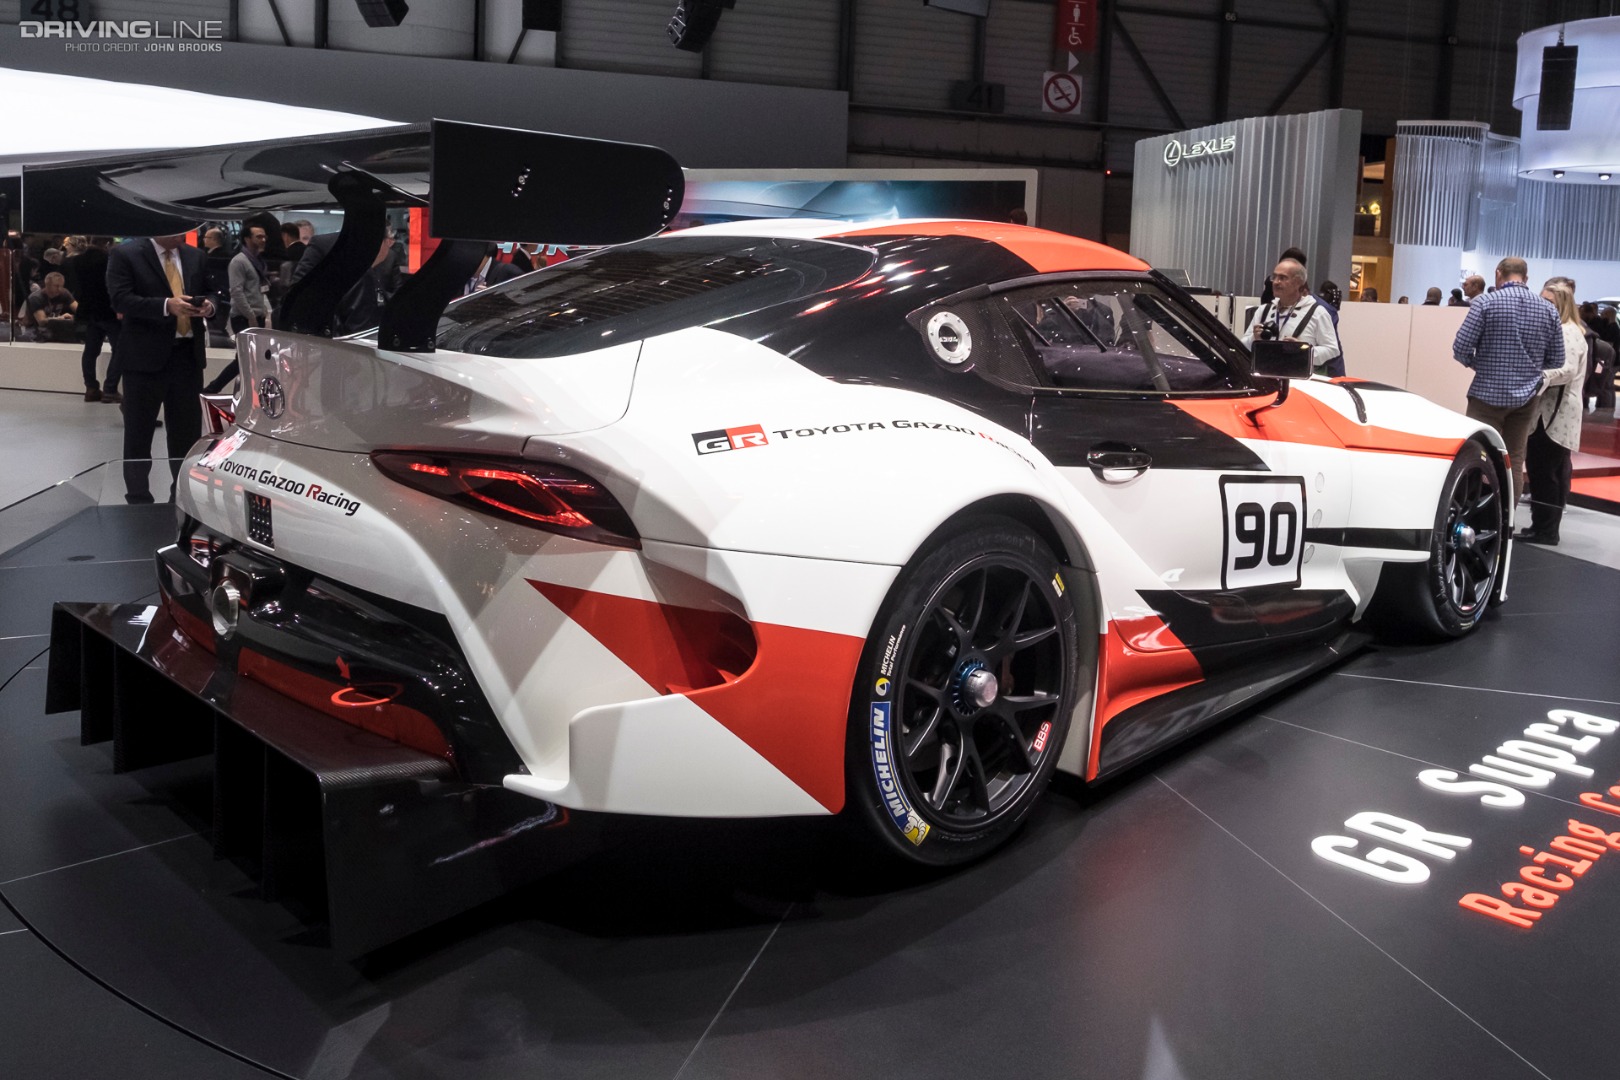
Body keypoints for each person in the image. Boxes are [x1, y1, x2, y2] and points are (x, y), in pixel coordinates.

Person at [106, 234, 217, 504]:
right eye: (178, 226)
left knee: (187, 436)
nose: (185, 232)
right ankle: (137, 499)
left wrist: (210, 307)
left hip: (187, 359)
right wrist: (166, 306)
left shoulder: (196, 256)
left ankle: (180, 496)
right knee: (138, 434)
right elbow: (120, 300)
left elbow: (213, 291)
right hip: (143, 361)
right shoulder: (126, 254)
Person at [1451, 256, 1564, 502]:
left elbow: (1460, 348)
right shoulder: (1548, 309)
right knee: (1514, 457)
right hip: (1525, 398)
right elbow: (1557, 359)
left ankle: (1471, 514)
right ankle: (1507, 523)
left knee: (1475, 453)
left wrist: (1482, 365)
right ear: (1526, 278)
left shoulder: (1485, 303)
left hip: (1486, 394)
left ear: (1498, 273)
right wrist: (1528, 369)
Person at [1518, 282, 1588, 546]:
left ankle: (1545, 529)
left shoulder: (1567, 332)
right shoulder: (1564, 329)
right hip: (1551, 413)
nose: (1543, 305)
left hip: (1554, 415)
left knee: (1545, 472)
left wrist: (1536, 376)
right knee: (1548, 471)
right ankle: (1543, 527)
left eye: (1549, 301)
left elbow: (1566, 369)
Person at [1242, 258, 1343, 376]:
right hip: (1265, 379)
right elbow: (1242, 346)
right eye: (1274, 277)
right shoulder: (1263, 310)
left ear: (1298, 282)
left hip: (1299, 383)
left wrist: (1303, 351)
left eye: (1282, 278)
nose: (1275, 282)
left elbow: (1332, 350)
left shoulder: (1317, 312)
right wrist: (1254, 338)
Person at [73, 237, 123, 402]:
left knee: (90, 350)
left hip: (88, 311)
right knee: (119, 350)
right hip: (109, 311)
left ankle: (91, 387)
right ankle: (110, 388)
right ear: (107, 244)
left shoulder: (77, 261)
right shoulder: (109, 260)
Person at [25, 272, 77, 342]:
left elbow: (78, 309)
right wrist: (60, 318)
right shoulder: (36, 298)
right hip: (35, 329)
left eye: (61, 286)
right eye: (56, 286)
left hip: (54, 328)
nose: (59, 289)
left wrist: (74, 317)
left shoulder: (64, 293)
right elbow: (42, 321)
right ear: (47, 285)